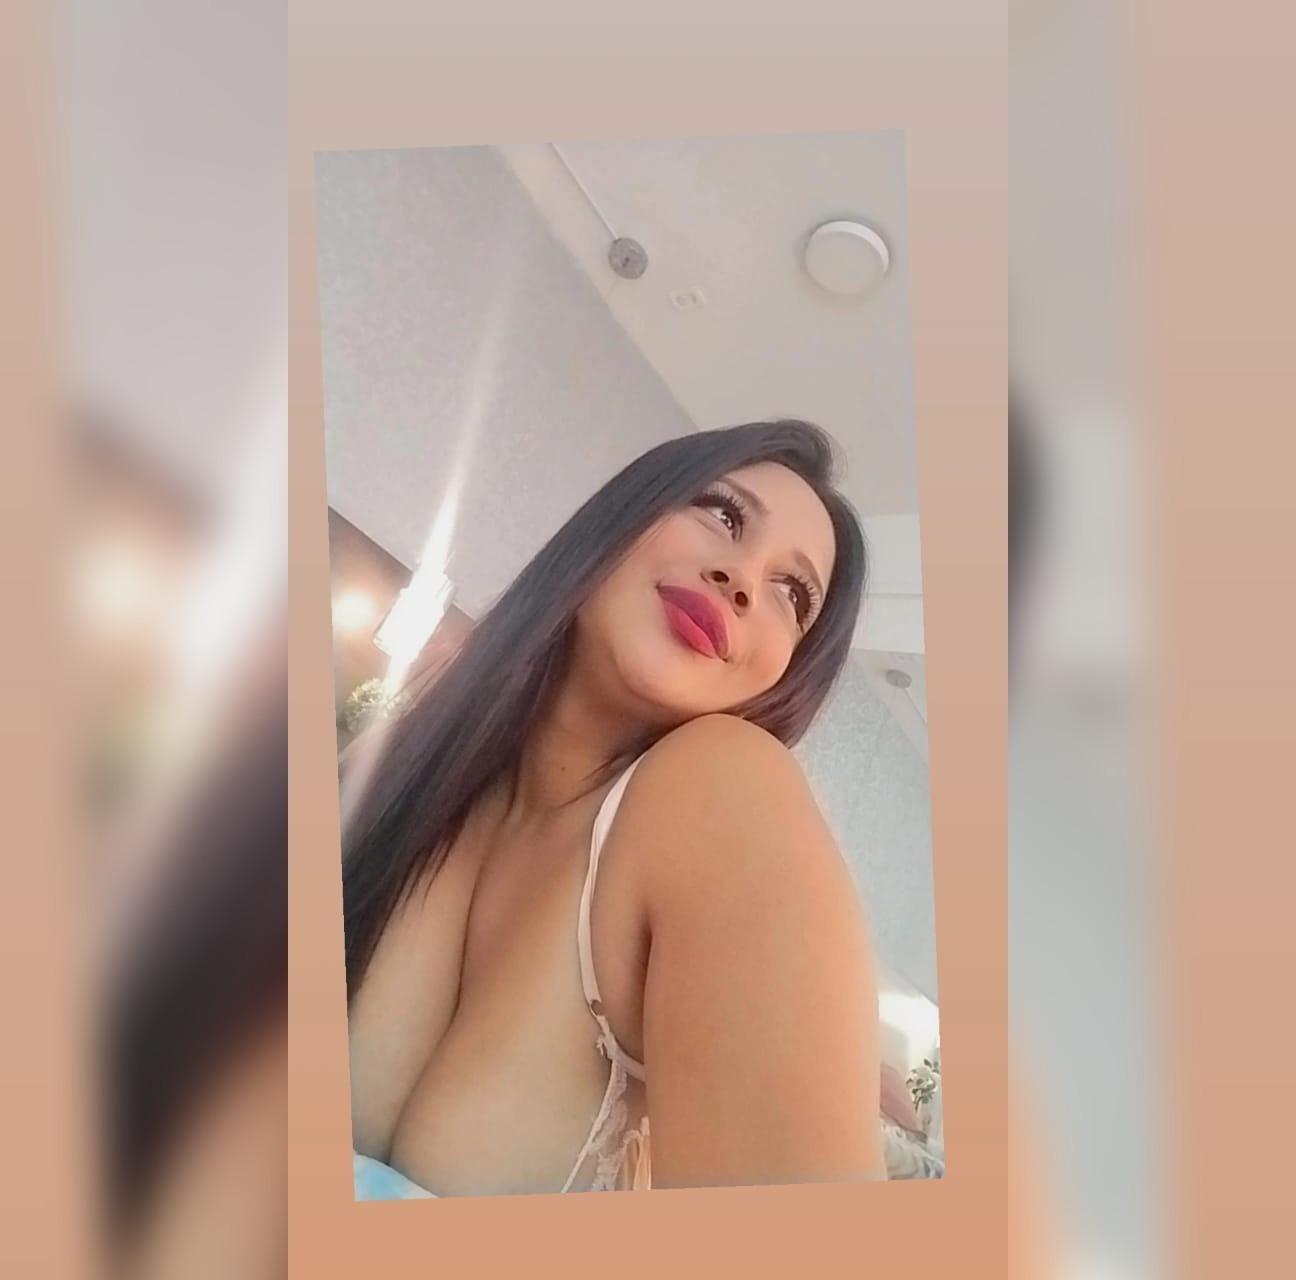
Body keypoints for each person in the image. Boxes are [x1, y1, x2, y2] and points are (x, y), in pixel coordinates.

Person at [343, 419, 886, 1197]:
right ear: (622, 516)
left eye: (791, 594)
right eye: (723, 514)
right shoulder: (397, 766)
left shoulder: (723, 786)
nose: (741, 579)